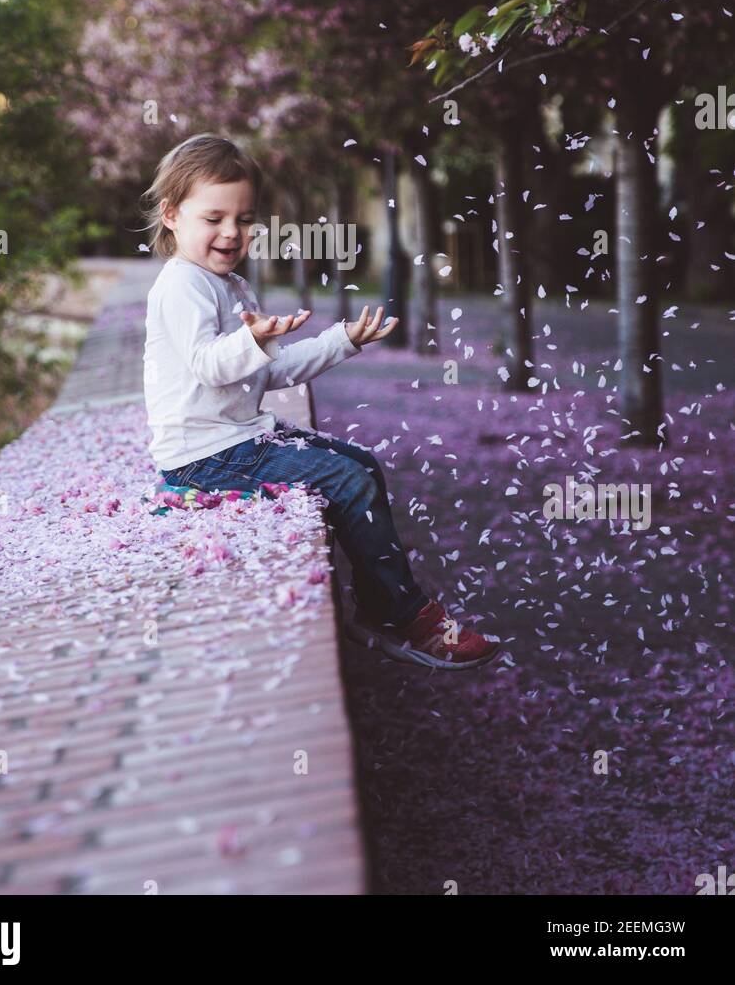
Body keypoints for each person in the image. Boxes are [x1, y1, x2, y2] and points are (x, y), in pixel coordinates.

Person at [141, 132, 500, 671]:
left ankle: (380, 603)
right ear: (171, 215)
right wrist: (252, 341)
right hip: (204, 458)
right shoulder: (181, 286)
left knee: (361, 465)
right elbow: (208, 364)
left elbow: (270, 371)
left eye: (244, 219)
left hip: (240, 440)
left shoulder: (231, 286)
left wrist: (342, 340)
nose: (230, 232)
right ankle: (405, 616)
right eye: (213, 218)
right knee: (346, 480)